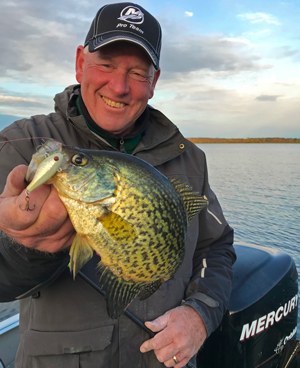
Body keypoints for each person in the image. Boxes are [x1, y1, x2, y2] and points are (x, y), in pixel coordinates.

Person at [0, 3, 235, 368]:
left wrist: (201, 314)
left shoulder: (190, 158)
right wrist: (24, 245)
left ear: (154, 82)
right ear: (80, 63)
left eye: (138, 72)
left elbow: (216, 248)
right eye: (106, 64)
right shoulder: (24, 145)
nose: (120, 86)